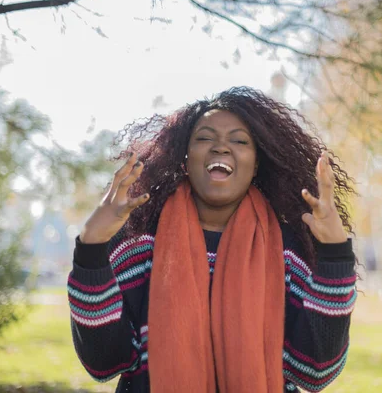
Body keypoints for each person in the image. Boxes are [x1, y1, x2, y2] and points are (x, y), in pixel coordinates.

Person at [68, 86, 357, 393]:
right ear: (184, 157)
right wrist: (91, 250)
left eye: (239, 140)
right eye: (205, 138)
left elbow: (315, 373)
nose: (221, 147)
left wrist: (335, 256)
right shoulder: (136, 243)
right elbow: (104, 363)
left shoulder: (289, 251)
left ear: (257, 163)